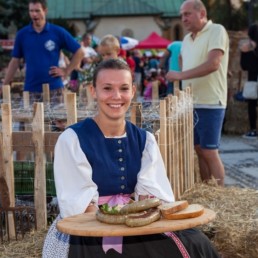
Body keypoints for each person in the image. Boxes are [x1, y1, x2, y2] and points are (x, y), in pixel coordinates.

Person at [42, 58, 221, 258]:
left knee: (197, 242)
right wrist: (117, 220)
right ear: (93, 91)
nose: (116, 96)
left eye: (124, 88)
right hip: (88, 226)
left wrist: (141, 210)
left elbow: (153, 197)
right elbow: (80, 207)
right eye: (107, 88)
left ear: (133, 91)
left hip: (138, 219)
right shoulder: (73, 139)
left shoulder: (145, 140)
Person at [166, 0, 229, 186]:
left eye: (187, 14)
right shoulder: (186, 39)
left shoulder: (217, 30)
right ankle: (206, 189)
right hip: (190, 101)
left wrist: (180, 74)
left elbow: (213, 64)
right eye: (181, 15)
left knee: (210, 150)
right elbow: (185, 61)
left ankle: (219, 194)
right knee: (199, 149)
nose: (183, 19)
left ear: (202, 14)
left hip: (210, 100)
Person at [2, 0, 84, 103]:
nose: (34, 14)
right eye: (31, 11)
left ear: (45, 11)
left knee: (57, 119)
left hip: (54, 89)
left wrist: (66, 71)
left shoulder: (57, 32)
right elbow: (15, 62)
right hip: (31, 90)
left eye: (37, 10)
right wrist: (5, 84)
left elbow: (80, 52)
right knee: (31, 119)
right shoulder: (22, 35)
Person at [240, 23, 258, 139]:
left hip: (253, 80)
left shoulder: (247, 48)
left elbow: (244, 66)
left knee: (252, 105)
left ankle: (253, 130)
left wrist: (243, 53)